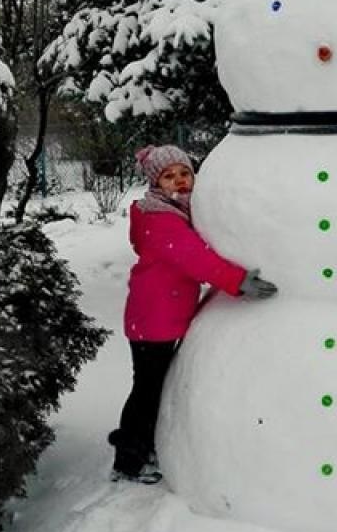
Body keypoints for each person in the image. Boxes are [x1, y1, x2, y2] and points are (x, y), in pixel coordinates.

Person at [108, 144, 277, 484]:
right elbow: (195, 258)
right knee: (147, 390)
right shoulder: (160, 218)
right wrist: (238, 281)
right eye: (169, 176)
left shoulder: (176, 211)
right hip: (152, 320)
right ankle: (129, 460)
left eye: (184, 173)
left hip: (158, 316)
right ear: (156, 183)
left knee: (149, 386)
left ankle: (140, 445)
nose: (180, 181)